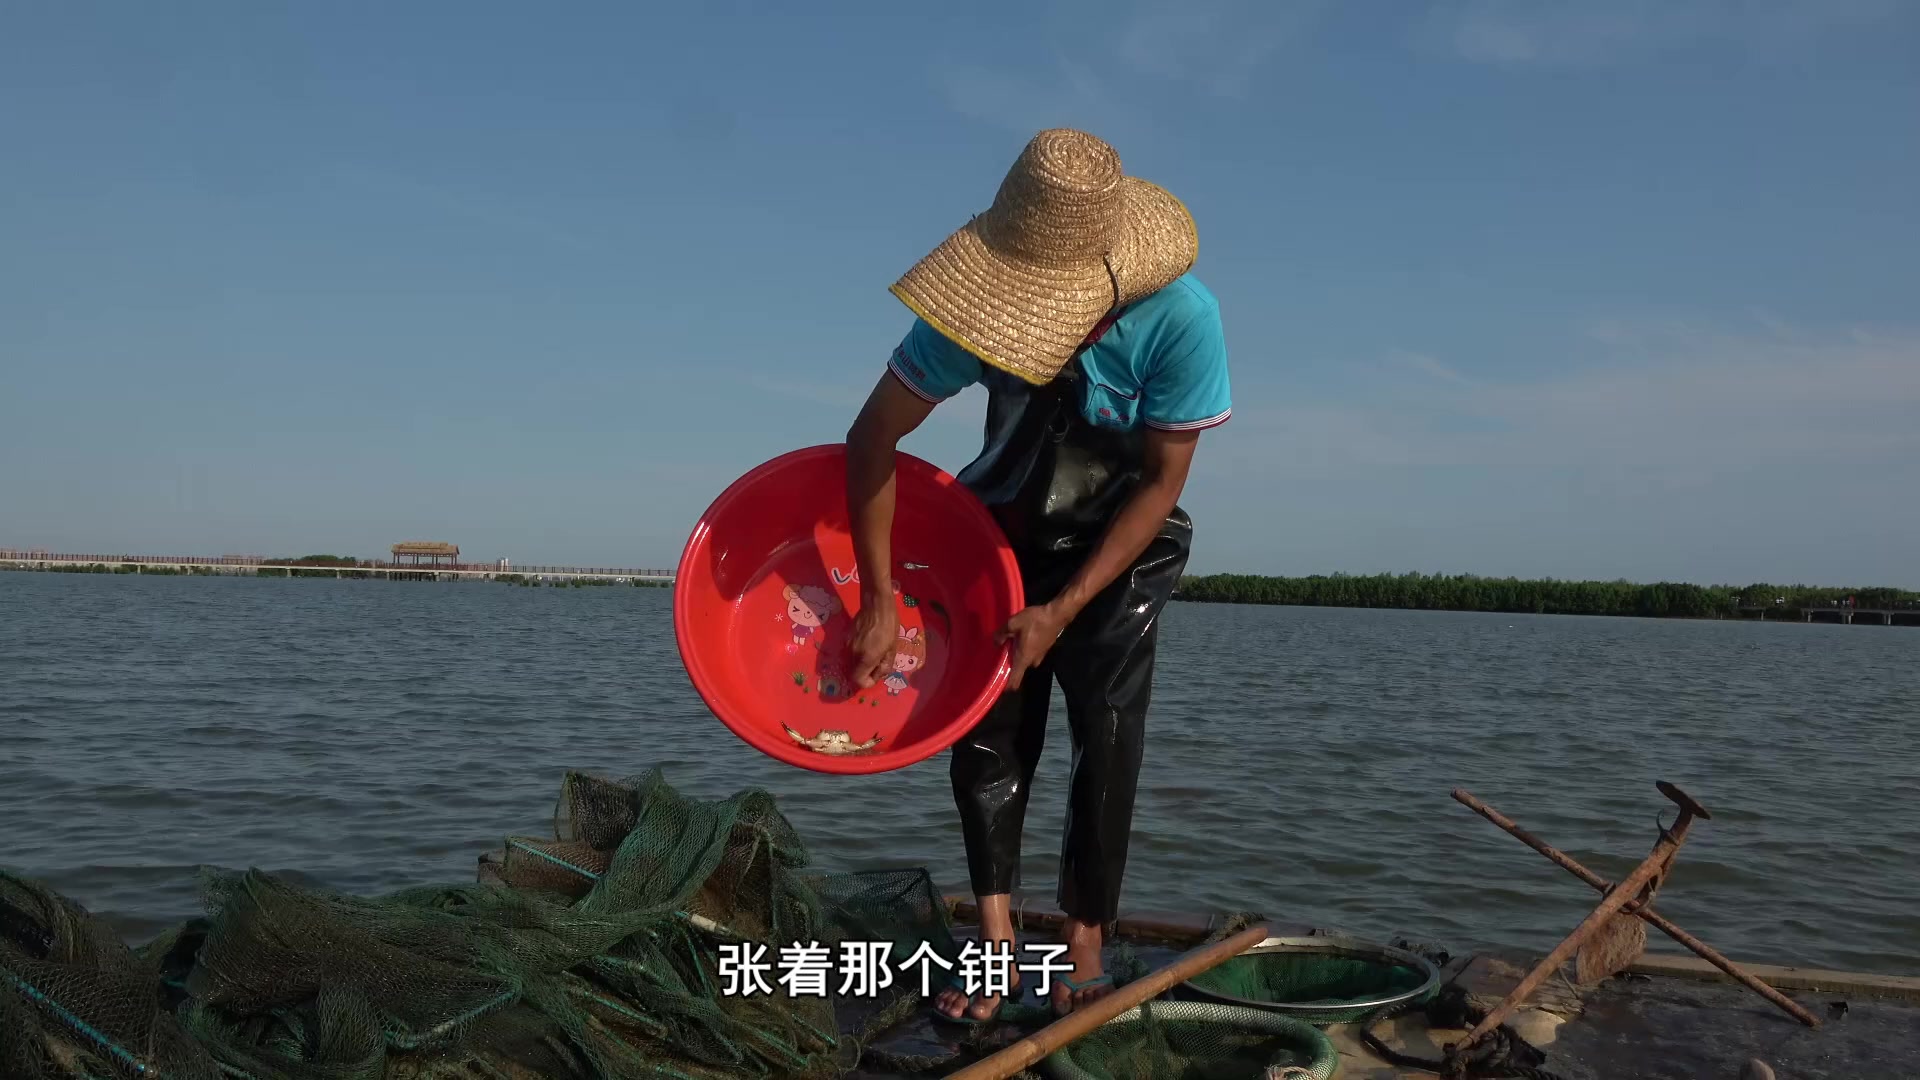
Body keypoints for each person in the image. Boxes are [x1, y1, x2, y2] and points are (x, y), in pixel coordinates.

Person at [842, 129, 1231, 1022]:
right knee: (988, 730)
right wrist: (878, 595)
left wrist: (1063, 608)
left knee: (1106, 725)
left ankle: (1085, 943)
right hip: (1004, 527)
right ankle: (994, 949)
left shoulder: (1182, 317)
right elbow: (872, 440)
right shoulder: (969, 314)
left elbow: (1163, 480)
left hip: (1122, 544)